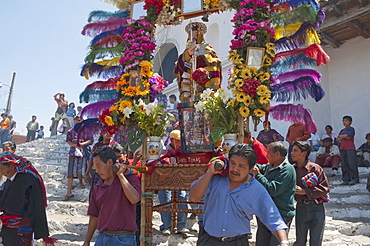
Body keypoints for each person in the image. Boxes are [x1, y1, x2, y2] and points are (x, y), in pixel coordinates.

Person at [190, 144, 289, 246]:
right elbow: (194, 197)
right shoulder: (215, 179)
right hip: (208, 240)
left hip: (237, 242)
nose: (235, 169)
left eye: (241, 166)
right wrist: (209, 172)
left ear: (251, 169)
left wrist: (284, 242)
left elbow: (274, 219)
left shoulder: (256, 190)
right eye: (233, 163)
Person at [82, 146, 141, 246]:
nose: (97, 170)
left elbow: (135, 199)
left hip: (123, 239)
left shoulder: (130, 179)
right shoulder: (99, 185)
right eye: (95, 167)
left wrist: (121, 175)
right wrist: (87, 241)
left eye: (99, 166)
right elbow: (94, 216)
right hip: (102, 237)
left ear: (110, 162)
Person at [0, 152, 56, 245]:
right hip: (8, 226)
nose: (1, 173)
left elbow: (35, 205)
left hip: (23, 226)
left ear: (11, 166)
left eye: (1, 169)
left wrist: (24, 222)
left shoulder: (29, 180)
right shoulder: (10, 179)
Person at [251, 142, 296, 246]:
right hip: (265, 213)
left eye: (269, 153)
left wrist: (258, 175)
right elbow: (260, 167)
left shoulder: (287, 169)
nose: (266, 156)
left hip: (281, 214)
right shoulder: (269, 167)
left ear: (277, 154)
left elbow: (273, 190)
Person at [291, 141, 330, 246]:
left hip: (317, 208)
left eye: (295, 150)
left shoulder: (315, 168)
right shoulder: (291, 169)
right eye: (292, 150)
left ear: (304, 153)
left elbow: (324, 188)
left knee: (316, 242)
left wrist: (304, 191)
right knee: (300, 241)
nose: (291, 153)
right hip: (301, 207)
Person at [174, 22, 222, 102]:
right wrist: (188, 54)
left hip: (204, 83)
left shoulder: (208, 49)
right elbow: (180, 67)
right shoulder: (186, 52)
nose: (194, 38)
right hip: (190, 86)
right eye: (191, 36)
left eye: (196, 35)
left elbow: (215, 65)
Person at [158, 130, 189, 235]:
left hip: (180, 179)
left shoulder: (184, 151)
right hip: (166, 180)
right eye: (177, 141)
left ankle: (182, 225)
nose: (179, 143)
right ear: (171, 140)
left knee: (182, 196)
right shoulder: (164, 151)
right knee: (164, 196)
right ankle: (166, 226)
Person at [63, 116, 93, 201]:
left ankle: (85, 188)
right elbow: (68, 140)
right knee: (70, 172)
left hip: (84, 153)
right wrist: (74, 145)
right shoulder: (71, 131)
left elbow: (90, 140)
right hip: (73, 153)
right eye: (77, 120)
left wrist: (82, 144)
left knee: (83, 170)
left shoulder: (86, 131)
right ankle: (69, 191)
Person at [337, 115, 359, 185]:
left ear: (350, 122)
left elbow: (348, 136)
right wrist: (344, 136)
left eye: (346, 121)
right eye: (343, 121)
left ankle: (354, 178)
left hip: (350, 148)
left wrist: (343, 136)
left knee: (352, 164)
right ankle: (346, 179)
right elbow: (338, 139)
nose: (344, 122)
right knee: (344, 164)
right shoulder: (342, 130)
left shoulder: (351, 129)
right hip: (342, 148)